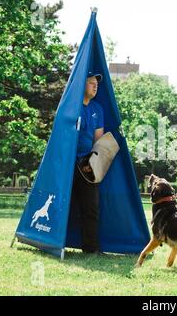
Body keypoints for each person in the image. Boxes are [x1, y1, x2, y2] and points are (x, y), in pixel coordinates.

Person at [70, 71, 105, 254]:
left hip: (86, 164)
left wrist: (92, 163)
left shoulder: (97, 109)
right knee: (62, 203)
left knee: (91, 207)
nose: (95, 85)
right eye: (91, 82)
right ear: (81, 85)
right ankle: (54, 242)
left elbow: (97, 142)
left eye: (96, 83)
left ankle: (91, 249)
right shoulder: (71, 106)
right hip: (67, 163)